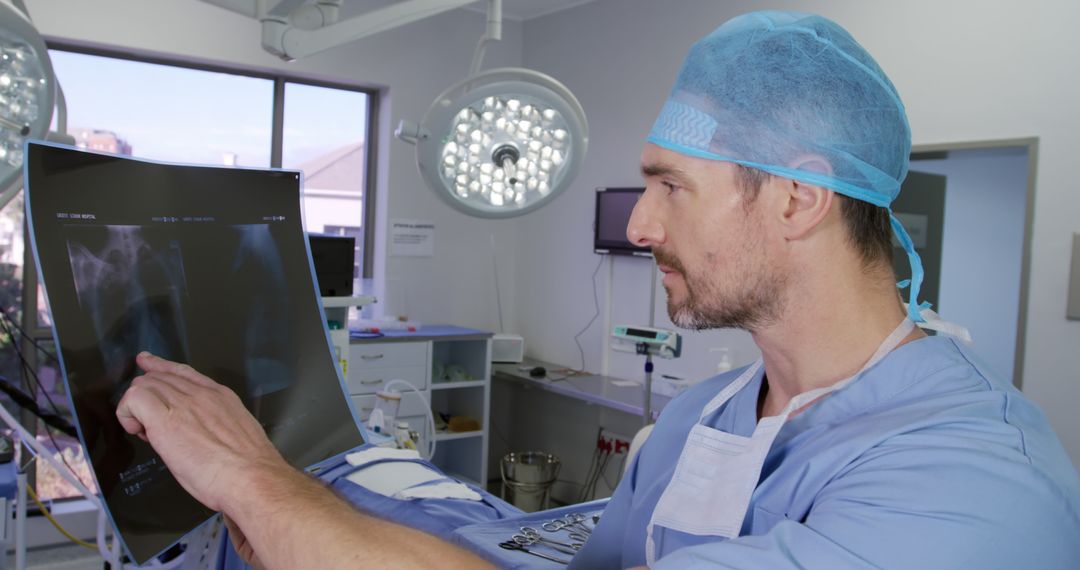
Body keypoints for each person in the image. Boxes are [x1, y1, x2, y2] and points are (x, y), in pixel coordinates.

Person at [117, 10, 1080, 570]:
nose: (638, 225)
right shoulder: (707, 414)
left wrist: (253, 478)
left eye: (670, 186)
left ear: (797, 198)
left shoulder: (973, 487)